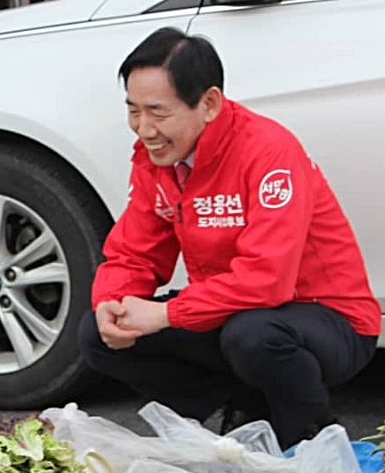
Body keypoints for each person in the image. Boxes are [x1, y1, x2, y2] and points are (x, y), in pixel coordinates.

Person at [78, 27, 380, 450]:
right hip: (232, 312)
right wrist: (114, 303)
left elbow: (267, 280)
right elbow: (134, 253)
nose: (144, 129)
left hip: (327, 318)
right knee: (97, 333)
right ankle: (238, 415)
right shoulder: (157, 159)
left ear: (209, 104)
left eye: (158, 113)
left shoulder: (268, 151)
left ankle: (314, 441)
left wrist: (166, 314)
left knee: (253, 335)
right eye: (133, 111)